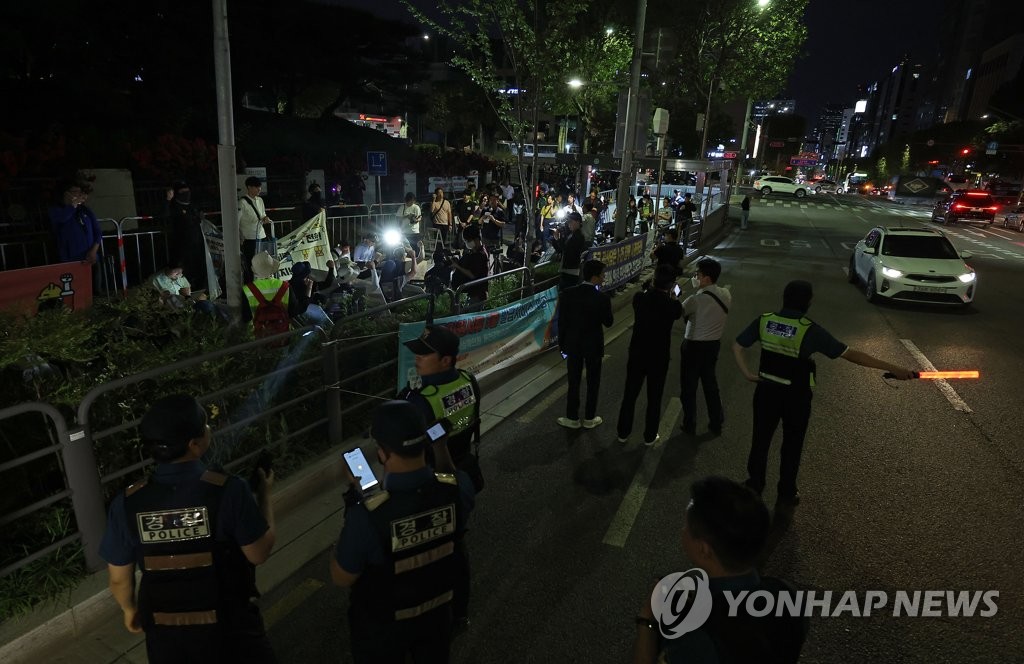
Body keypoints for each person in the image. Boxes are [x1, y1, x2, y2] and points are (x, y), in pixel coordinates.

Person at [99, 395, 277, 664]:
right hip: (231, 631)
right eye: (206, 426)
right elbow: (259, 553)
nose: (209, 429)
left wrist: (128, 609)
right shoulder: (229, 490)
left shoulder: (127, 503)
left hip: (168, 637)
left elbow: (118, 579)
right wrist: (264, 495)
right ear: (195, 444)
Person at [732, 280, 915, 507]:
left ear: (784, 297)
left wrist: (748, 374)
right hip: (796, 398)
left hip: (766, 392)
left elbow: (738, 346)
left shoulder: (765, 320)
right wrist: (894, 368)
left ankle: (754, 485)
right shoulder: (810, 330)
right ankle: (786, 491)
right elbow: (852, 355)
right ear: (808, 302)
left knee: (760, 440)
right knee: (792, 444)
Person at [331, 400, 475, 663]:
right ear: (425, 441)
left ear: (381, 453)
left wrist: (357, 496)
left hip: (383, 629)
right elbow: (450, 482)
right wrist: (441, 448)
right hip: (437, 616)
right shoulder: (458, 489)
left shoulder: (367, 517)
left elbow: (342, 577)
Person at [632, 476, 807, 664]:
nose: (683, 530)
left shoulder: (694, 638)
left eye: (687, 527)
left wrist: (648, 618)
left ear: (704, 549)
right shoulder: (789, 595)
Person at [616, 265, 683, 445]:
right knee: (655, 397)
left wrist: (648, 288)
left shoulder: (640, 299)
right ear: (670, 286)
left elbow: (641, 293)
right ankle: (650, 436)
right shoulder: (672, 306)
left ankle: (623, 433)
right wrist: (674, 296)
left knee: (630, 394)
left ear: (653, 281)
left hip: (637, 353)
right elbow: (678, 311)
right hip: (659, 356)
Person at [557, 259, 613, 430]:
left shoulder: (567, 294)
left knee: (573, 381)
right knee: (593, 381)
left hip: (573, 345)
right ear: (595, 277)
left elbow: (562, 323)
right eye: (603, 274)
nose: (604, 278)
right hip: (593, 345)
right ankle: (589, 417)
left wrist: (562, 346)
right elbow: (609, 322)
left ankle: (572, 417)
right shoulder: (602, 298)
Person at [680, 259, 731, 436]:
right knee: (710, 384)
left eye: (698, 275)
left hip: (693, 346)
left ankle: (689, 423)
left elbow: (679, 312)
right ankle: (716, 421)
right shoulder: (725, 294)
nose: (695, 277)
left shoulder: (694, 300)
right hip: (713, 346)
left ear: (707, 279)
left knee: (689, 386)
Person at [49, 178, 105, 294]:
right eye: (76, 192)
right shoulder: (57, 210)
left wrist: (94, 251)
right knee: (76, 293)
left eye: (80, 192)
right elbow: (62, 219)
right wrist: (72, 205)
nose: (79, 195)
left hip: (91, 258)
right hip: (70, 260)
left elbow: (98, 232)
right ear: (66, 193)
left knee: (96, 292)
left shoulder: (85, 210)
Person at [164, 180, 209, 292]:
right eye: (182, 191)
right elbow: (165, 216)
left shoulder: (193, 206)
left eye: (187, 191)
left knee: (200, 272)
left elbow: (199, 220)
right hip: (181, 247)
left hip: (198, 246)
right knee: (184, 276)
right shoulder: (174, 206)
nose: (186, 193)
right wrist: (168, 200)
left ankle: (200, 294)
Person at [238, 176, 273, 285]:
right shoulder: (242, 202)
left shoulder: (260, 200)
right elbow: (237, 221)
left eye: (260, 187)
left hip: (261, 236)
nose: (259, 189)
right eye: (257, 187)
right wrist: (240, 237)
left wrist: (265, 218)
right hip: (249, 238)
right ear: (249, 187)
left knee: (262, 263)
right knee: (251, 264)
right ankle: (251, 285)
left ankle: (262, 283)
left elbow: (262, 214)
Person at [245, 251, 289, 322]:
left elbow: (245, 317)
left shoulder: (247, 289)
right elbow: (294, 312)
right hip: (283, 331)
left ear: (255, 271)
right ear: (273, 268)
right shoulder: (285, 286)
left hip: (257, 331)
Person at [452, 225, 489, 309]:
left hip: (478, 294)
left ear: (476, 239)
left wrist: (457, 266)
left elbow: (472, 274)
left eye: (468, 240)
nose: (466, 243)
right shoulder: (477, 250)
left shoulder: (480, 255)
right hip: (473, 292)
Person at [552, 211, 586, 291]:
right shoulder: (572, 235)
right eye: (568, 222)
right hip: (569, 270)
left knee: (566, 295)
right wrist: (557, 239)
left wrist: (557, 239)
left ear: (578, 222)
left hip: (571, 271)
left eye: (571, 222)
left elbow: (566, 250)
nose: (568, 224)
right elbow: (561, 249)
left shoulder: (578, 236)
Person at [398, 193, 423, 258]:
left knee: (416, 250)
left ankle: (416, 263)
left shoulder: (416, 207)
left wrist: (415, 219)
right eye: (410, 201)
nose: (411, 202)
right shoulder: (402, 207)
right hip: (405, 232)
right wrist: (407, 216)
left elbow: (419, 217)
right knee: (407, 250)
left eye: (413, 201)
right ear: (407, 200)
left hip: (415, 232)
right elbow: (398, 218)